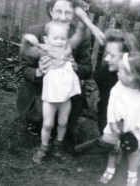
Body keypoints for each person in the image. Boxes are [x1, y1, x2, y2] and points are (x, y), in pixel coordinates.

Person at [16, 0, 104, 149]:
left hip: (66, 89)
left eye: (68, 12)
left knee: (63, 123)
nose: (63, 17)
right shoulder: (37, 32)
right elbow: (25, 67)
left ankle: (61, 129)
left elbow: (88, 70)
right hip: (42, 87)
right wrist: (38, 71)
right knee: (43, 119)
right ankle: (36, 119)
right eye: (58, 11)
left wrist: (74, 66)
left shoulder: (78, 38)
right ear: (50, 10)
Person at [21, 20, 85, 163]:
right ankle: (43, 148)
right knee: (48, 124)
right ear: (46, 39)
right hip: (50, 98)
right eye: (55, 38)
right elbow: (25, 51)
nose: (59, 41)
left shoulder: (67, 50)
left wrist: (81, 26)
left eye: (63, 38)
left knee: (62, 123)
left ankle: (58, 146)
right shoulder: (44, 51)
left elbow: (78, 37)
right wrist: (26, 41)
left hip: (65, 99)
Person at [99, 52, 140, 186]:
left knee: (134, 152)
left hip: (137, 126)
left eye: (121, 71)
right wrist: (112, 122)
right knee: (114, 149)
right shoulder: (118, 87)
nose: (118, 73)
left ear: (134, 76)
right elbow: (112, 106)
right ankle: (110, 169)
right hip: (118, 124)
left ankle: (132, 176)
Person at [94, 29, 140, 135]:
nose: (106, 59)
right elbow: (105, 109)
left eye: (112, 55)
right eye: (106, 54)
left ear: (128, 55)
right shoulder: (102, 75)